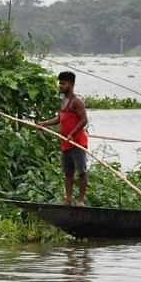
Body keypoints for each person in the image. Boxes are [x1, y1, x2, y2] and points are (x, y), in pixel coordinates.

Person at [37, 71, 89, 206]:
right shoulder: (63, 101)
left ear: (71, 84)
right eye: (59, 83)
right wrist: (44, 123)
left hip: (77, 143)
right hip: (65, 143)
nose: (60, 86)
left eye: (63, 83)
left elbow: (84, 120)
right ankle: (68, 199)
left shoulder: (77, 102)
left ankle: (81, 201)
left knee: (81, 172)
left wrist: (72, 134)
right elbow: (59, 118)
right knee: (68, 173)